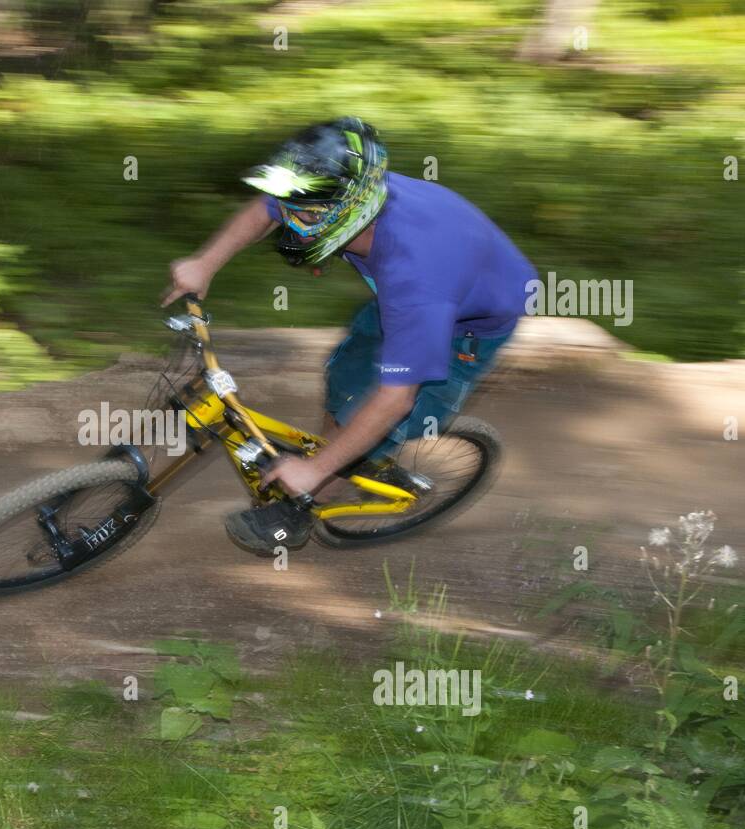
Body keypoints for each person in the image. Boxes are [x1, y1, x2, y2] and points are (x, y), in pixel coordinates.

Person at [161, 117, 537, 555]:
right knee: (344, 378)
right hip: (422, 288)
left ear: (350, 212)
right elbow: (267, 207)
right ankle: (340, 454)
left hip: (462, 325)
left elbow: (396, 398)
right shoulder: (337, 191)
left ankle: (307, 502)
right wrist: (207, 262)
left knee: (376, 412)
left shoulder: (415, 280)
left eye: (301, 213)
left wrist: (314, 470)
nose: (288, 217)